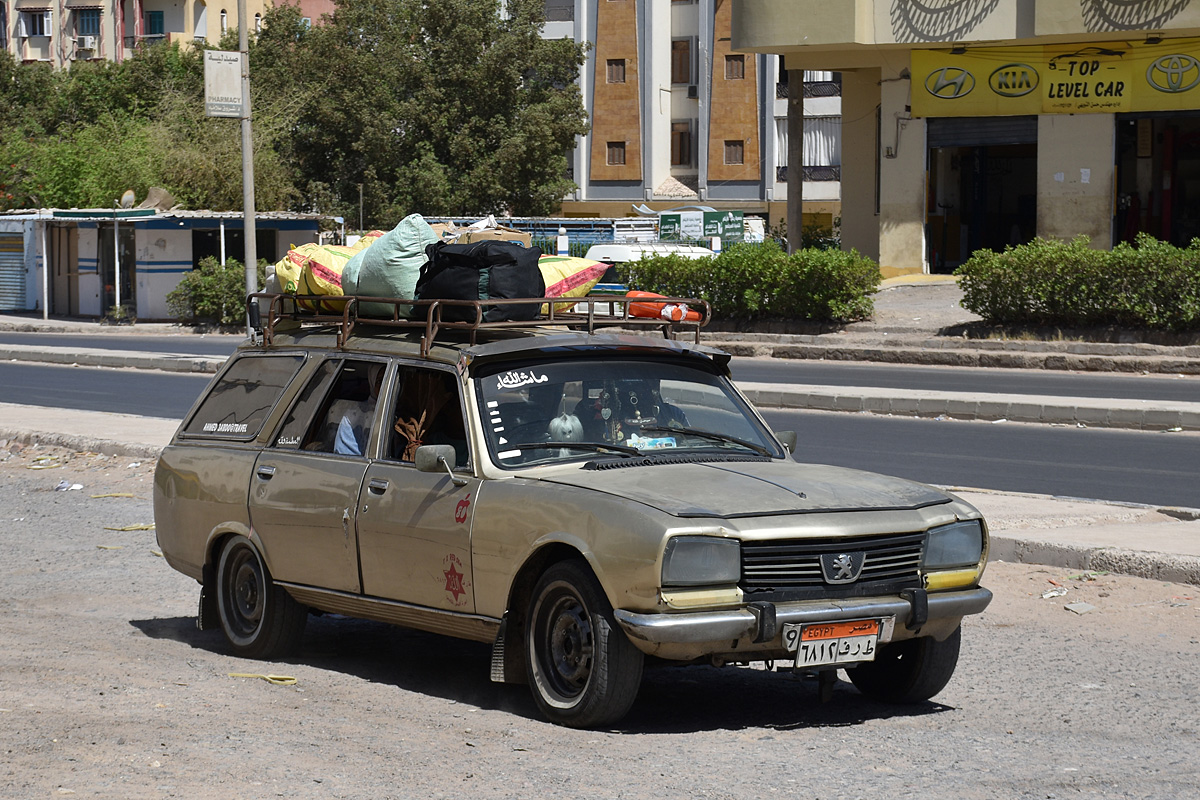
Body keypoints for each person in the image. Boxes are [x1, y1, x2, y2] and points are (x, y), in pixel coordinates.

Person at [334, 363, 384, 456]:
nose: (386, 386)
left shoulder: (407, 413)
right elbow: (346, 459)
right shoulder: (353, 417)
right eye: (380, 381)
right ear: (372, 383)